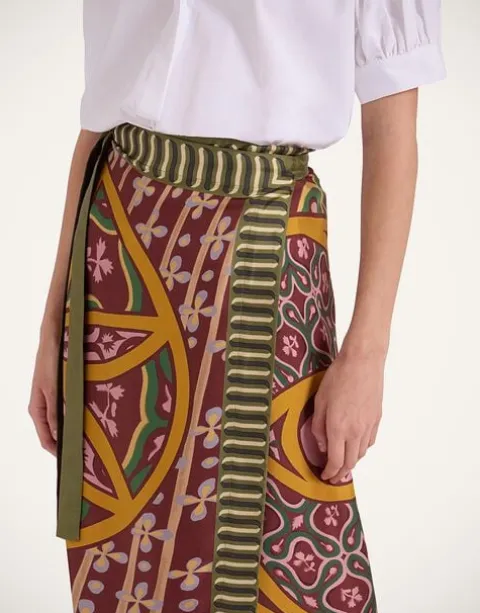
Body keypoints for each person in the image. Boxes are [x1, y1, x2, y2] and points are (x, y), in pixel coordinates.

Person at [28, 1, 446, 612]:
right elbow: (98, 124)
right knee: (127, 565)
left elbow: (392, 132)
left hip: (266, 248)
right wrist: (53, 326)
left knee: (292, 556)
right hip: (120, 255)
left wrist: (367, 353)